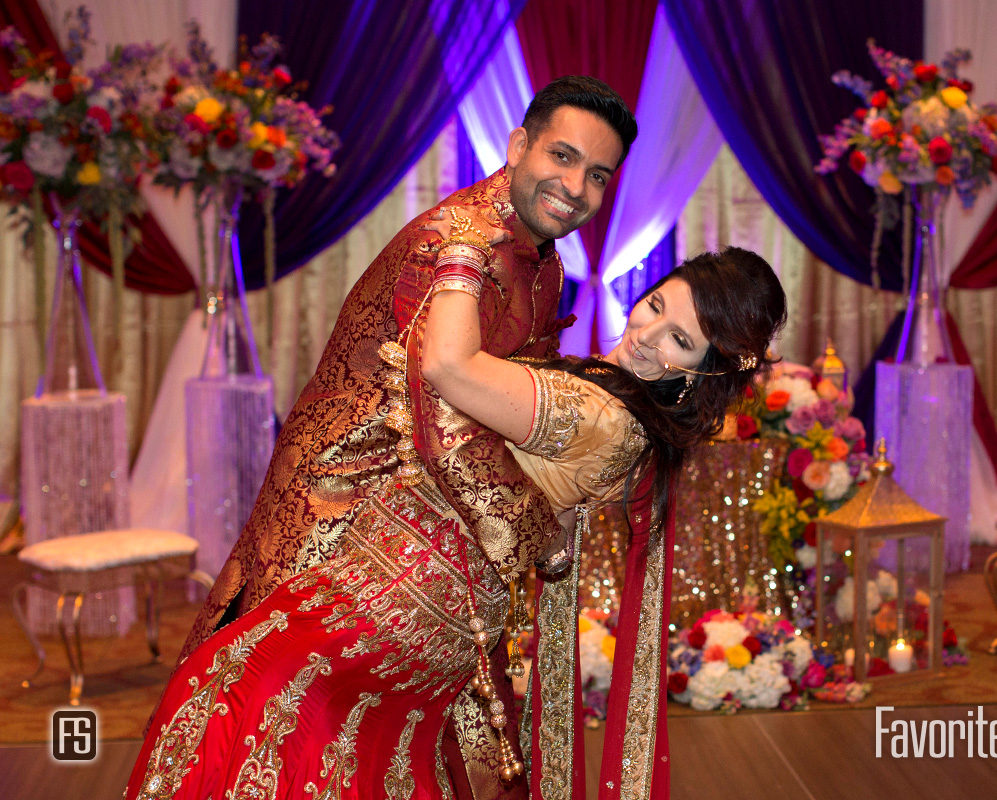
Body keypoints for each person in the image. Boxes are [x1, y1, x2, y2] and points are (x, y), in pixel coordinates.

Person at [124, 219, 787, 799]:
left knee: (232, 695)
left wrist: (461, 255)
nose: (646, 335)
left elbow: (450, 369)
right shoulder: (619, 405)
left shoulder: (601, 416)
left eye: (679, 340)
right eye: (654, 306)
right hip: (423, 599)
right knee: (347, 755)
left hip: (401, 599)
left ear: (706, 370)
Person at [171, 76, 636, 797]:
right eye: (562, 156)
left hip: (428, 524)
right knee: (288, 723)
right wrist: (541, 529)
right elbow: (446, 421)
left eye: (597, 174)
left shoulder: (544, 262)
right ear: (519, 146)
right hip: (341, 513)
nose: (574, 186)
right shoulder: (453, 248)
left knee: (411, 730)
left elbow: (514, 395)